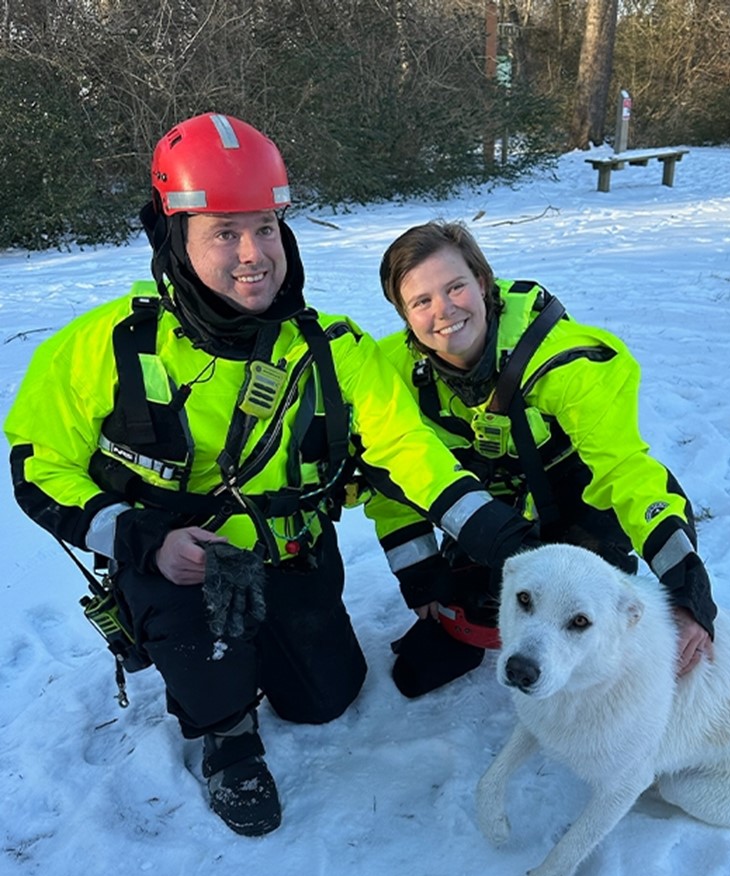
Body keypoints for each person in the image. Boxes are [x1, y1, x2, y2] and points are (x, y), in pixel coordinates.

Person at [4, 114, 534, 837]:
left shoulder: (333, 351)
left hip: (287, 558)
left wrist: (512, 542)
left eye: (266, 227)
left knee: (325, 699)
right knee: (206, 650)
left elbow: (413, 454)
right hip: (180, 571)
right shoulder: (104, 346)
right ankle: (224, 735)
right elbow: (38, 464)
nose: (254, 254)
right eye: (224, 232)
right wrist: (143, 538)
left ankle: (260, 656)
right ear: (174, 237)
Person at [370, 220, 716, 698]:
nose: (444, 311)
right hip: (483, 510)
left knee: (579, 596)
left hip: (570, 495)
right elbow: (392, 482)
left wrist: (687, 590)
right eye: (421, 301)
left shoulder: (566, 361)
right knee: (445, 638)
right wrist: (423, 579)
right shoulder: (391, 375)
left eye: (456, 288)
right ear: (403, 314)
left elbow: (624, 472)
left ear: (483, 283)